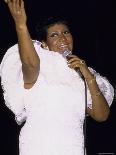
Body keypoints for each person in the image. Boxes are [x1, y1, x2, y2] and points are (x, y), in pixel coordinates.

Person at [0, 0, 114, 155]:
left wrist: (88, 76)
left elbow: (101, 116)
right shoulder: (39, 66)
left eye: (66, 32)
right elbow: (31, 64)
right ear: (45, 44)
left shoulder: (81, 75)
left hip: (73, 148)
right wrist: (21, 25)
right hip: (39, 147)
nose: (62, 38)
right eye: (54, 35)